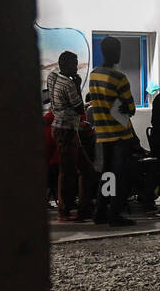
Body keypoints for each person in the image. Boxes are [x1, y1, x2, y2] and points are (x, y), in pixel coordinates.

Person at [88, 36, 138, 226]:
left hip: (101, 134)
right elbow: (131, 108)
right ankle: (114, 215)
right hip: (119, 134)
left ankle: (101, 211)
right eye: (118, 50)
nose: (119, 54)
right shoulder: (119, 78)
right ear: (113, 52)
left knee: (106, 175)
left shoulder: (93, 75)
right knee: (119, 176)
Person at [45, 50, 92, 222]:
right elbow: (80, 109)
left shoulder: (52, 76)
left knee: (85, 170)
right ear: (67, 65)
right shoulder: (69, 84)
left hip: (62, 127)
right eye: (75, 64)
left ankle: (82, 208)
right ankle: (64, 211)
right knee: (67, 172)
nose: (77, 68)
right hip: (66, 130)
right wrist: (78, 85)